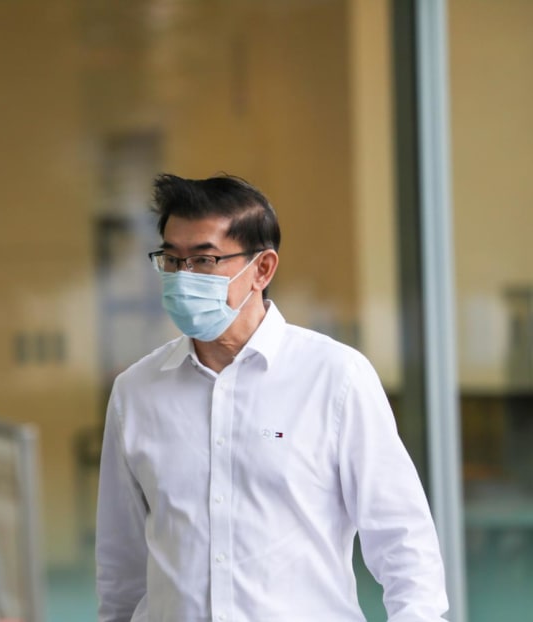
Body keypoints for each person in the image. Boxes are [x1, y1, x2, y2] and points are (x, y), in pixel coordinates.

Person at [95, 173, 449, 621]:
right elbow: (120, 562)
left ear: (261, 269)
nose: (182, 278)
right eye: (171, 259)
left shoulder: (335, 378)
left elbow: (403, 540)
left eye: (203, 261)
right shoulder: (136, 392)